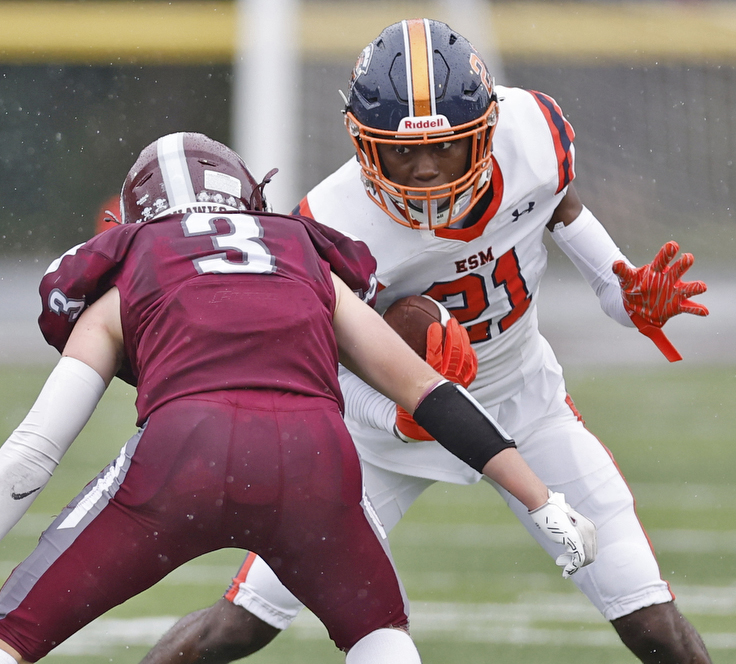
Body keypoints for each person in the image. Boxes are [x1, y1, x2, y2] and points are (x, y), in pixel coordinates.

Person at [0, 131, 596, 664]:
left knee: (16, 633)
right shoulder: (303, 252)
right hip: (314, 460)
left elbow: (35, 449)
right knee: (379, 632)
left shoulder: (133, 266)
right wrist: (541, 500)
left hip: (182, 456)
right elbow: (426, 391)